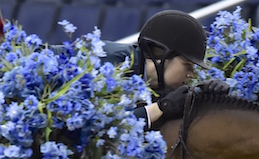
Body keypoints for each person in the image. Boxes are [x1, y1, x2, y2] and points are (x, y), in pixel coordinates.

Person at [54, 10, 229, 129]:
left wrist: (205, 94)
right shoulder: (112, 63)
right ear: (161, 54)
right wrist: (161, 108)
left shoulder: (145, 74)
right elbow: (102, 128)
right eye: (187, 65)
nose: (191, 74)